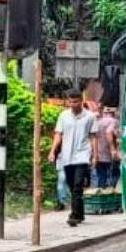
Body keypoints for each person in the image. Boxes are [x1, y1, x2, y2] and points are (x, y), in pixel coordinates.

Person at [48, 88, 99, 227]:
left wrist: (95, 155)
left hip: (82, 155)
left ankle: (74, 215)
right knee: (72, 186)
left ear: (81, 101)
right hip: (67, 156)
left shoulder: (90, 117)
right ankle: (80, 212)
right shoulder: (63, 116)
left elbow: (94, 137)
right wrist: (53, 151)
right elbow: (58, 134)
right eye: (70, 102)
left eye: (75, 102)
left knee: (77, 185)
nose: (73, 104)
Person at [96, 108, 120, 188]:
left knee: (101, 177)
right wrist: (113, 149)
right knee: (114, 175)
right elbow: (109, 132)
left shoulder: (98, 122)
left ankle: (101, 194)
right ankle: (112, 195)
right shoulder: (114, 121)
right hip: (111, 155)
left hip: (98, 154)